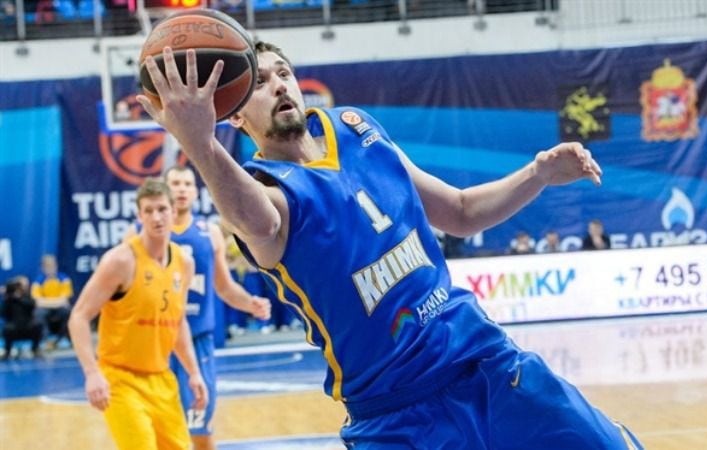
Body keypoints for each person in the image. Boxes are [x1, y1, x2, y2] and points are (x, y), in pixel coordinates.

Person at [137, 41, 643, 448]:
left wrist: (537, 174)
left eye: (283, 72)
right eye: (261, 83)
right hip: (395, 416)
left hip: (483, 364)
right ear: (235, 115)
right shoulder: (265, 191)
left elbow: (461, 211)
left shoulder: (354, 128)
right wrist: (199, 142)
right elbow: (259, 223)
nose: (279, 85)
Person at [123, 165, 271, 450]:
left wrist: (249, 303)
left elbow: (224, 287)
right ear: (165, 191)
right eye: (175, 183)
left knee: (200, 428)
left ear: (195, 192)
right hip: (155, 342)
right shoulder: (138, 233)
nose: (181, 189)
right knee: (156, 431)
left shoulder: (209, 233)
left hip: (197, 340)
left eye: (187, 184)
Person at [68, 178, 207, 450]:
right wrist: (92, 373)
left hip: (162, 378)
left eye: (162, 209)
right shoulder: (120, 261)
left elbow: (177, 321)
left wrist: (193, 372)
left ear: (173, 210)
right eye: (148, 211)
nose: (156, 217)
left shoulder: (184, 262)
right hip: (121, 379)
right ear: (139, 216)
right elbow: (79, 317)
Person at [30, 254, 73, 350]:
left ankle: (63, 339)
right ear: (43, 268)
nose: (51, 268)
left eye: (53, 265)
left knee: (68, 312)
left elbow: (64, 300)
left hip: (59, 308)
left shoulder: (64, 279)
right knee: (38, 314)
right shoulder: (38, 282)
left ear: (56, 266)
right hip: (46, 309)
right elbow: (38, 302)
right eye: (48, 266)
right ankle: (46, 341)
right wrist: (56, 302)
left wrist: (47, 302)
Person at [2, 276, 44, 360]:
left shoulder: (27, 296)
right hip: (14, 327)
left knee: (38, 325)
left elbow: (32, 305)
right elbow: (3, 313)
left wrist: (19, 298)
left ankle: (35, 349)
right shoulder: (9, 299)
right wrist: (7, 298)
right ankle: (7, 351)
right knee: (7, 329)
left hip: (28, 326)